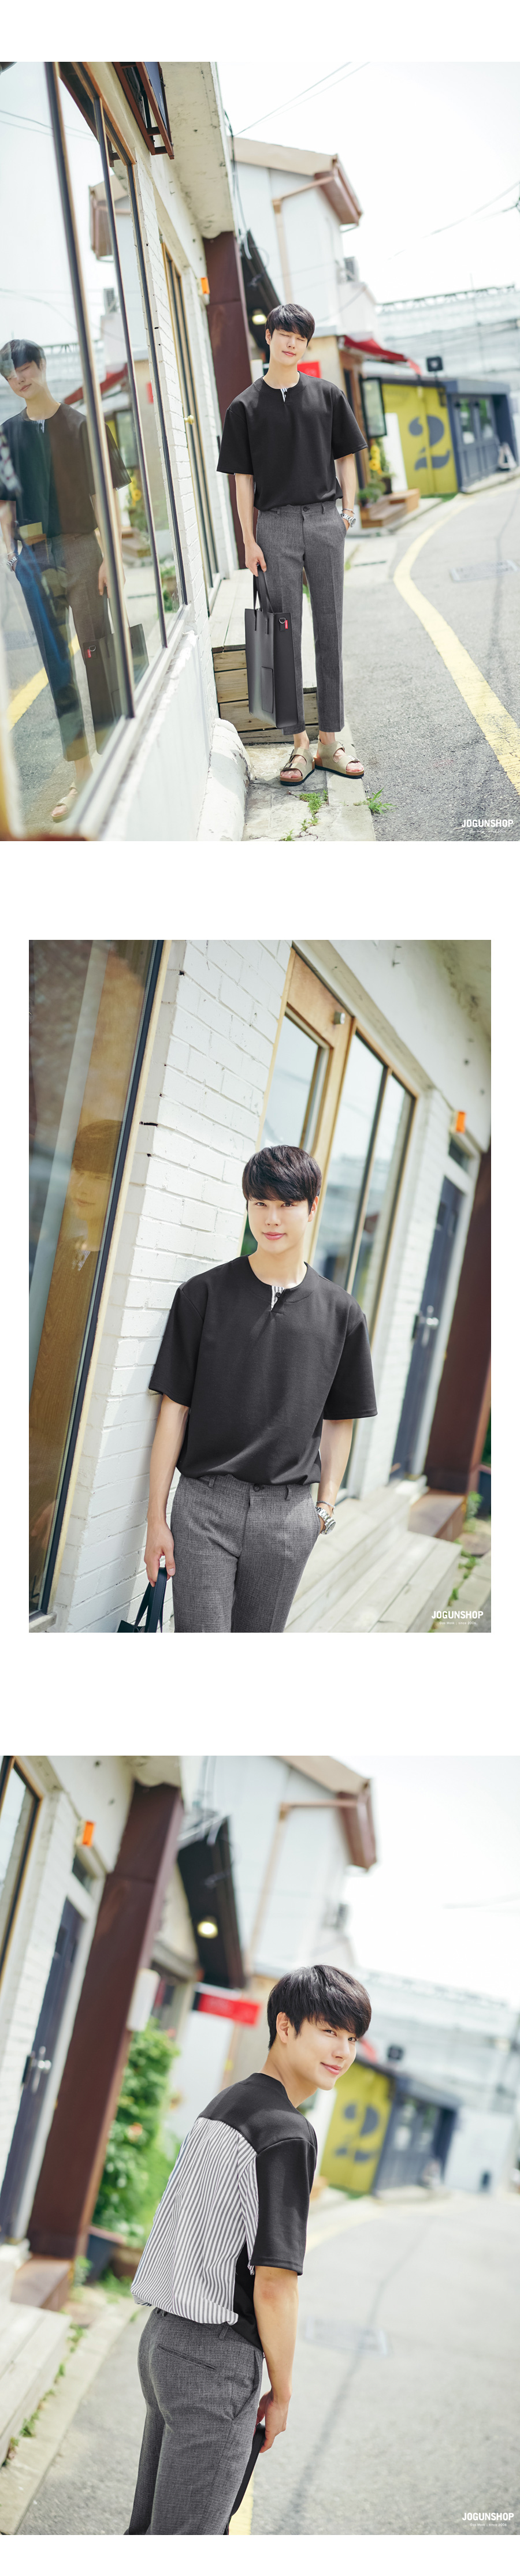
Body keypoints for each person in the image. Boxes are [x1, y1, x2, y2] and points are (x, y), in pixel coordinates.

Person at [127, 1961, 372, 2536]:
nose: (342, 2050)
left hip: (164, 2341)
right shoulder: (286, 2132)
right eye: (329, 2031)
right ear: (284, 2026)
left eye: (352, 2037)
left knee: (150, 2535)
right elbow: (276, 2283)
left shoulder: (227, 2104)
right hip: (215, 2360)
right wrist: (281, 2393)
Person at [144, 1141, 377, 1633]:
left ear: (312, 1207)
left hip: (288, 1519)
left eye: (287, 1204)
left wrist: (324, 1508)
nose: (272, 1219)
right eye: (260, 1203)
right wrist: (156, 1519)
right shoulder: (202, 1295)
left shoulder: (342, 1314)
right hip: (204, 1508)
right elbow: (174, 1411)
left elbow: (341, 1420)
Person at [217, 301, 367, 787]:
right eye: (285, 334)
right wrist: (248, 540)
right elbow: (242, 481)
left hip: (325, 521)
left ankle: (330, 741)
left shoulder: (327, 395)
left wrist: (347, 514)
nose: (292, 343)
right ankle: (299, 744)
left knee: (330, 628)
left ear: (305, 344)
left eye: (300, 338)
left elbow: (348, 457)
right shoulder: (244, 407)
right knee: (282, 634)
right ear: (269, 337)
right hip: (275, 527)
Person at [0, 337, 129, 821]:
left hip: (81, 551)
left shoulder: (81, 425)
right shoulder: (5, 435)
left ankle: (114, 756)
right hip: (33, 559)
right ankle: (82, 773)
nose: (19, 379)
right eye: (10, 374)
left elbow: (105, 497)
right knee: (58, 670)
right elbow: (5, 504)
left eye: (25, 368)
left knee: (98, 653)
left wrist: (110, 558)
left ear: (41, 366)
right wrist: (12, 557)